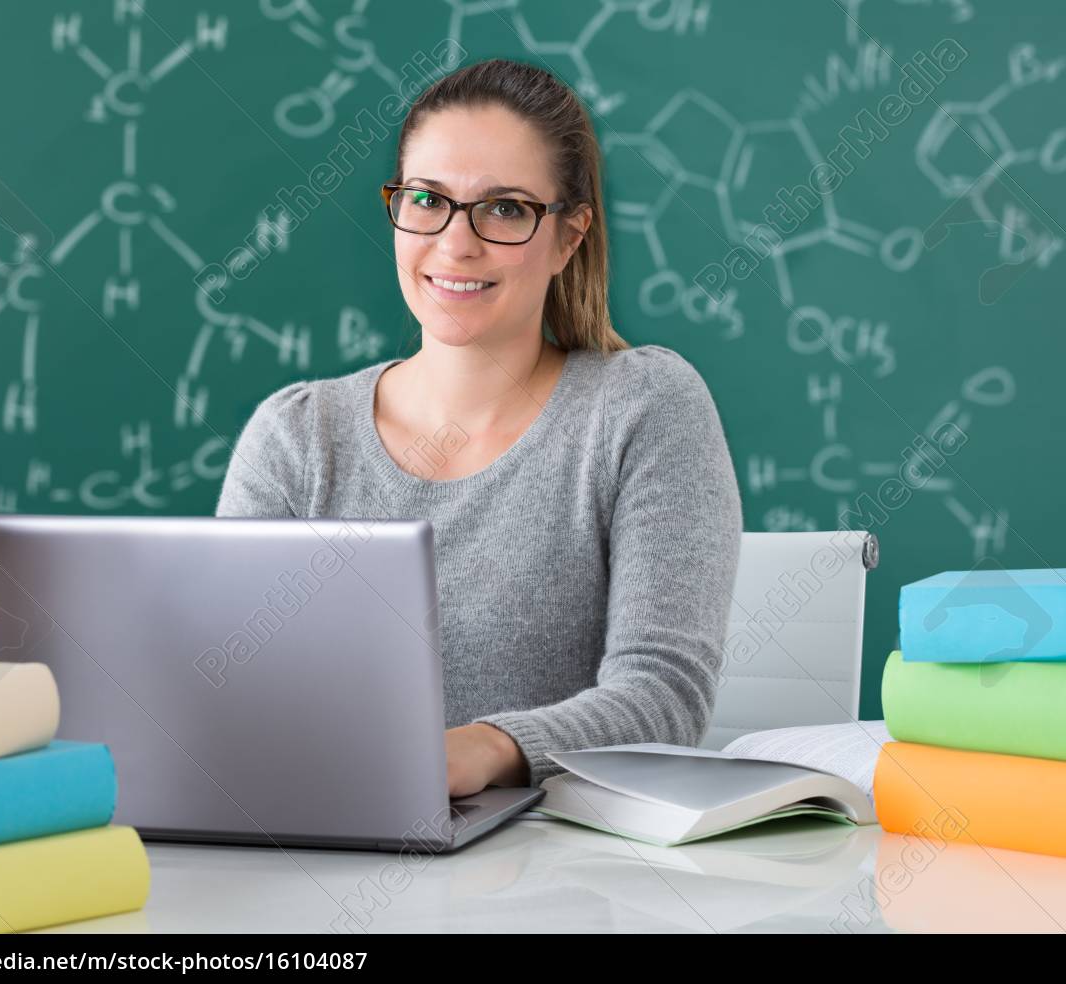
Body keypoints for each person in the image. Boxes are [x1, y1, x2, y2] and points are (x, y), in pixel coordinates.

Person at [216, 58, 743, 798]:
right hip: (325, 854)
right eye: (428, 199)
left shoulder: (641, 407)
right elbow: (225, 693)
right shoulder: (296, 437)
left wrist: (484, 750)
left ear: (569, 236)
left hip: (565, 882)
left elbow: (665, 698)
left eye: (504, 209)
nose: (456, 244)